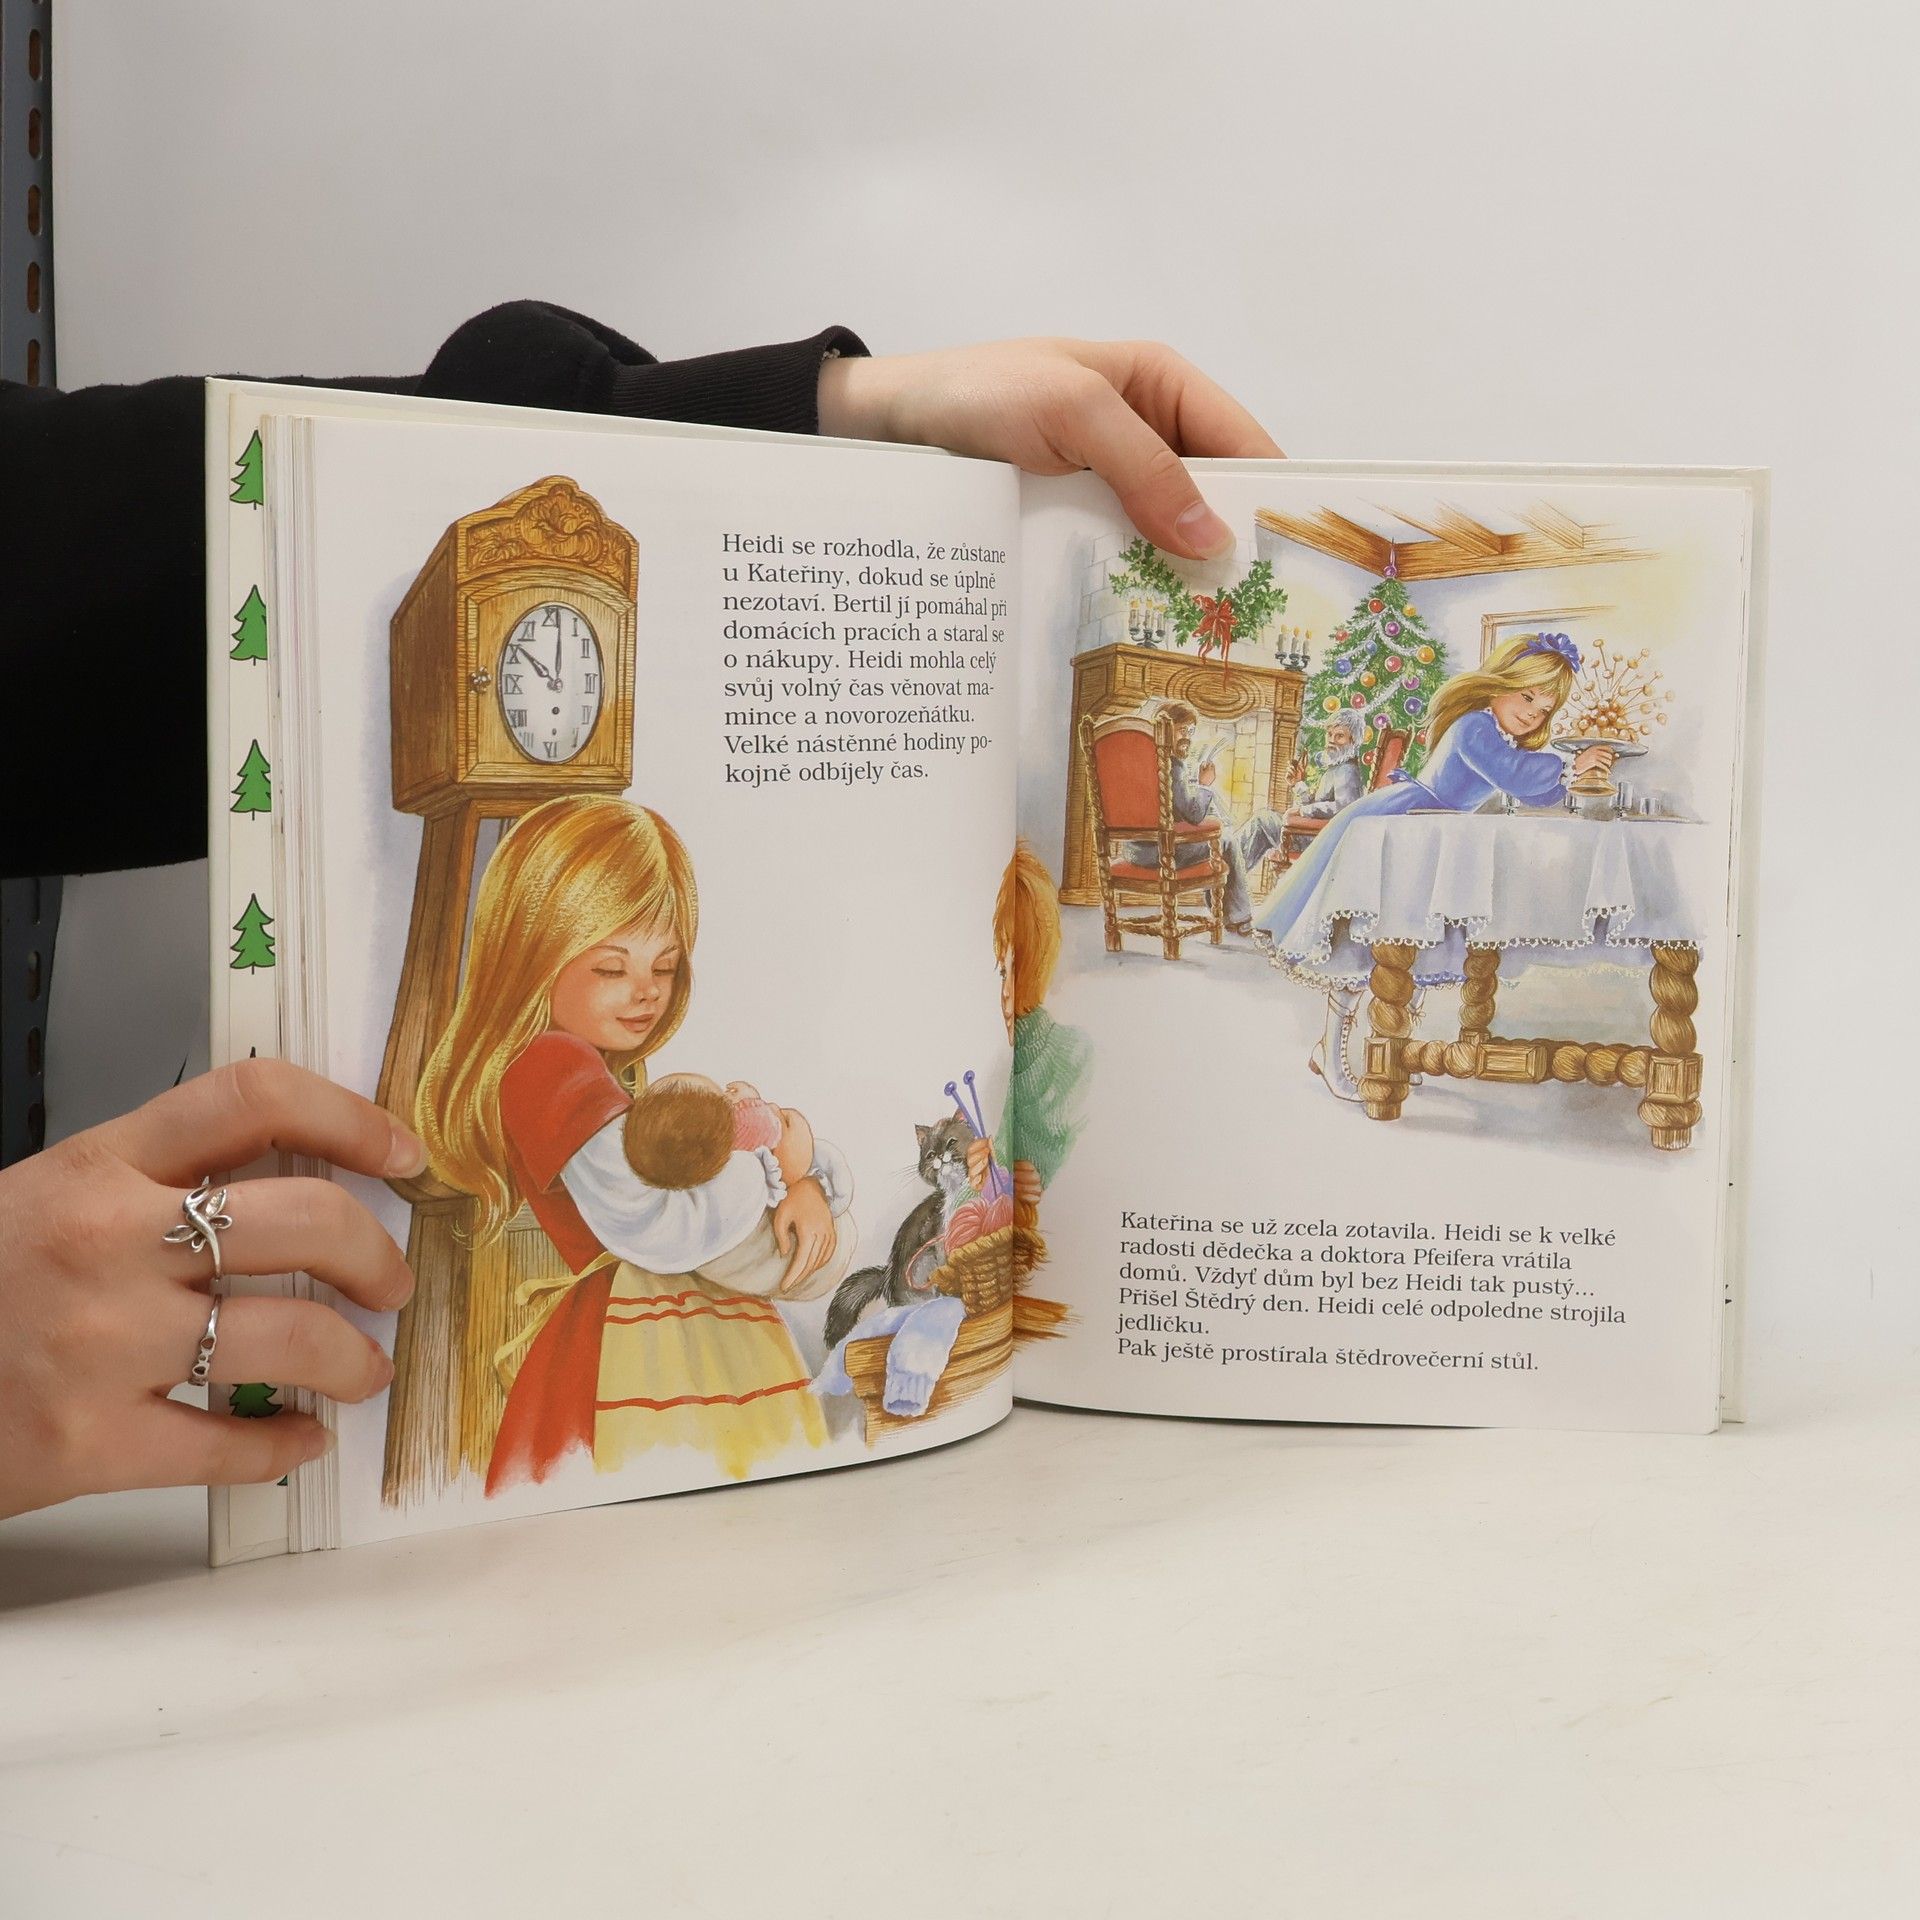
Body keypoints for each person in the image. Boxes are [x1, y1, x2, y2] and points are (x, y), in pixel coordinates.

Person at [0, 310, 1282, 1520]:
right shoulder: (552, 1078)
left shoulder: (608, 1077)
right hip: (621, 1352)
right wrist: (776, 1170)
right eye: (610, 962)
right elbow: (658, 1212)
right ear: (534, 955)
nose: (645, 991)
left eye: (662, 966)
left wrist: (828, 418)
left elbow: (71, 555)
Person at [1253, 634, 1617, 1102]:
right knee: (1370, 942)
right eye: (1528, 697)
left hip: (1434, 839)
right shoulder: (1475, 726)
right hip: (1405, 827)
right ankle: (1332, 1050)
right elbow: (1511, 773)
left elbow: (1528, 784)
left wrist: (1569, 777)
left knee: (1413, 944)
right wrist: (1571, 763)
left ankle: (1394, 1052)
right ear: (1499, 684)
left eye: (1545, 709)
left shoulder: (1498, 734)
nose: (1533, 713)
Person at [1123, 701, 1288, 935]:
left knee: (1245, 831)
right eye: (1182, 730)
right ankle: (1239, 918)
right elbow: (1193, 815)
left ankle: (1228, 908)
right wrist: (1205, 785)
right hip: (1163, 852)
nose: (1187, 737)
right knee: (1227, 841)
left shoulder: (1141, 761)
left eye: (1190, 731)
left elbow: (1169, 810)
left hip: (1137, 850)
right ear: (1163, 729)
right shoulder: (1172, 763)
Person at [1294, 713, 1368, 818]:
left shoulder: (1347, 770)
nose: (1332, 740)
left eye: (1340, 736)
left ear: (1353, 741)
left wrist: (1302, 811)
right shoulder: (1335, 768)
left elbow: (1343, 807)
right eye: (1329, 734)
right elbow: (1315, 804)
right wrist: (1298, 782)